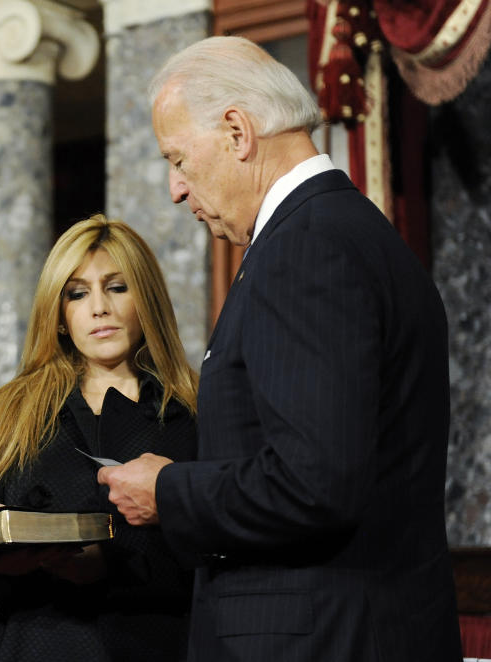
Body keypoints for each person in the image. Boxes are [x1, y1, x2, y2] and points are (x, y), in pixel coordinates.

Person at [97, 36, 463, 661]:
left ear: (238, 132)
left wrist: (170, 492)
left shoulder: (305, 247)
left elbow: (314, 484)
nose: (175, 189)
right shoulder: (352, 232)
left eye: (179, 158)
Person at [0, 215, 199, 661]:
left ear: (148, 299)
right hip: (35, 646)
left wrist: (109, 565)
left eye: (117, 287)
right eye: (77, 293)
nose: (99, 307)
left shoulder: (195, 411)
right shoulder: (13, 413)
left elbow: (218, 557)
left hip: (155, 646)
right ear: (60, 314)